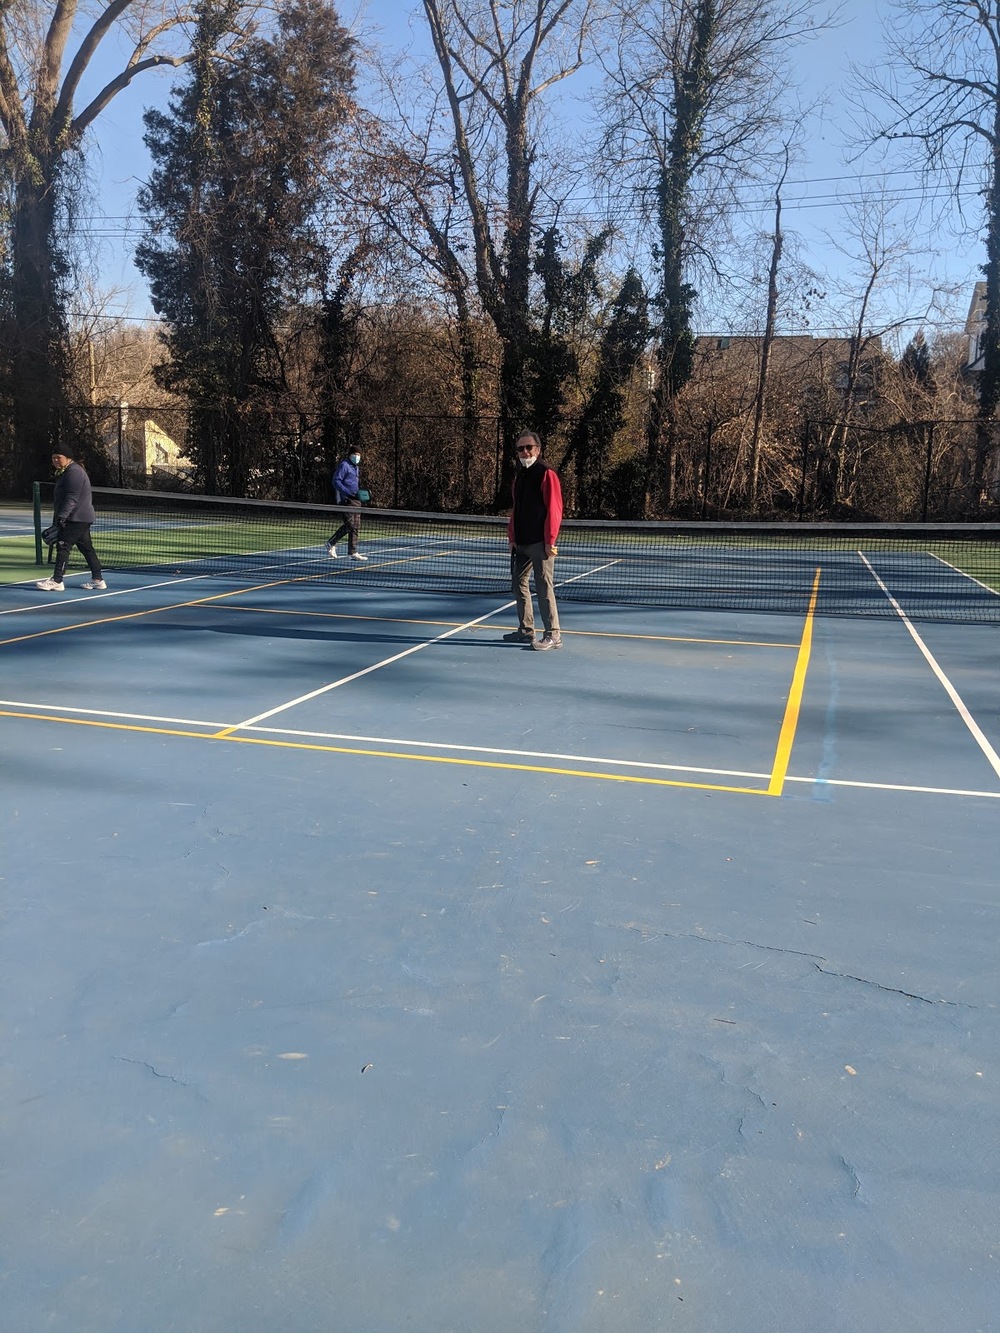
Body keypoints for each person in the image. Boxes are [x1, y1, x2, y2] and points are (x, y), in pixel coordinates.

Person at [503, 430, 563, 650]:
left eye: (529, 447)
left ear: (538, 449)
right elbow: (516, 509)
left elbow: (554, 509)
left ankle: (553, 635)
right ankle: (526, 631)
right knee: (518, 584)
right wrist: (512, 536)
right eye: (520, 448)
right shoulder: (519, 476)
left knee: (544, 586)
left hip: (541, 543)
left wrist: (550, 541)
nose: (525, 452)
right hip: (522, 543)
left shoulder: (547, 474)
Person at [35, 450, 107, 593]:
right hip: (79, 517)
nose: (55, 460)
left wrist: (62, 517)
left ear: (67, 457)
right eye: (53, 457)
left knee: (63, 546)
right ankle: (98, 580)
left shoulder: (74, 472)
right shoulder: (67, 471)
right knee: (86, 548)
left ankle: (57, 581)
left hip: (76, 518)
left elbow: (71, 497)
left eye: (58, 457)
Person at [326, 449, 368, 561]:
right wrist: (347, 493)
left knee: (356, 526)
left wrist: (359, 495)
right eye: (355, 454)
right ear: (350, 455)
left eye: (359, 455)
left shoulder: (356, 467)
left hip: (356, 500)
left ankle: (352, 552)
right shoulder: (344, 465)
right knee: (349, 525)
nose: (357, 457)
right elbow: (336, 481)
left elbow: (354, 484)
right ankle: (331, 543)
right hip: (346, 500)